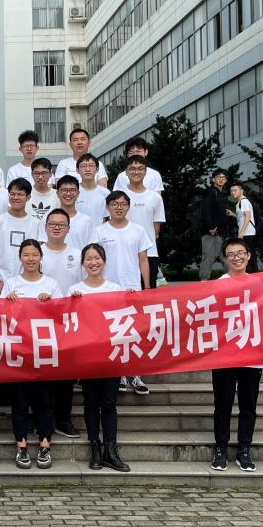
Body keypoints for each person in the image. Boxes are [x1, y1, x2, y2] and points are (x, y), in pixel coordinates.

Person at [211, 238, 263, 472]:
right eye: (231, 254)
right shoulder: (218, 284)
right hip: (225, 353)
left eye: (240, 253)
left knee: (248, 405)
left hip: (252, 352)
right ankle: (220, 448)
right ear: (225, 259)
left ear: (249, 256)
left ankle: (244, 449)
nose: (237, 258)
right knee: (223, 404)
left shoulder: (259, 283)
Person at [68, 243, 130, 473]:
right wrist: (72, 302)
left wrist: (129, 298)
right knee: (91, 403)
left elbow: (124, 319)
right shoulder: (74, 289)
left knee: (109, 404)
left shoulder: (115, 288)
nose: (93, 263)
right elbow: (67, 323)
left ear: (104, 261)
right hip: (87, 356)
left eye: (97, 258)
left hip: (111, 355)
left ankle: (111, 451)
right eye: (89, 259)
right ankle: (95, 448)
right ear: (82, 263)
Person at [2, 239, 62, 469]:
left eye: (34, 254)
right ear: (20, 258)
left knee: (45, 401)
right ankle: (21, 446)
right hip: (18, 353)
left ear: (40, 257)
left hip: (44, 353)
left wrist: (50, 303)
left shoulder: (52, 284)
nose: (30, 259)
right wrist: (8, 303)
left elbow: (61, 317)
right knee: (19, 402)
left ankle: (45, 445)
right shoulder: (11, 284)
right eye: (26, 255)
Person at [97, 190, 152, 395]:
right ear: (107, 207)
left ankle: (134, 375)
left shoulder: (138, 230)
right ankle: (118, 373)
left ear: (128, 207)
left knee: (133, 333)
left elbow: (143, 260)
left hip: (132, 289)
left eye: (122, 204)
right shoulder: (99, 231)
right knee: (112, 333)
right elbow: (93, 261)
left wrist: (147, 288)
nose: (118, 207)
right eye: (114, 204)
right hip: (107, 289)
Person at [40, 208, 82, 439]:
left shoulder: (77, 254)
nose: (57, 227)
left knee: (66, 375)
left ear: (68, 228)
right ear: (45, 227)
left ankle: (63, 420)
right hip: (41, 323)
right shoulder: (36, 252)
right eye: (52, 224)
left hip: (69, 322)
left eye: (61, 224)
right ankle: (42, 419)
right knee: (43, 375)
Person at [0, 178, 43, 294]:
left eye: (20, 194)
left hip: (29, 282)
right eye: (12, 194)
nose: (15, 197)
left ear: (28, 197)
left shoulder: (36, 223)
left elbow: (40, 254)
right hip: (3, 281)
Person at [123, 156, 166, 289]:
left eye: (140, 169)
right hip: (124, 252)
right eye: (132, 169)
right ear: (126, 172)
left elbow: (156, 227)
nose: (136, 172)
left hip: (149, 253)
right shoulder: (120, 196)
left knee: (148, 293)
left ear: (145, 172)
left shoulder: (155, 197)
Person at [53, 175, 98, 251]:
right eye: (64, 190)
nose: (68, 193)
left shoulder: (86, 221)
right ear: (57, 193)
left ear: (78, 193)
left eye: (72, 190)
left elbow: (92, 249)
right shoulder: (48, 219)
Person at [199, 168, 229, 281]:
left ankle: (232, 279)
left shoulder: (220, 194)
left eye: (223, 177)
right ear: (213, 179)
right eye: (218, 177)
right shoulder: (211, 192)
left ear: (226, 180)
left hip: (220, 232)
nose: (221, 179)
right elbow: (205, 210)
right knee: (208, 256)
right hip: (210, 232)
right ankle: (204, 281)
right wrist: (210, 227)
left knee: (226, 256)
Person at [228, 184, 257, 272]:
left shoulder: (244, 201)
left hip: (247, 233)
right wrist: (233, 214)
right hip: (247, 232)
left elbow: (248, 216)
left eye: (235, 190)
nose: (233, 193)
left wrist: (242, 232)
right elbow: (242, 217)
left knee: (248, 255)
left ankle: (252, 274)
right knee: (247, 254)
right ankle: (251, 274)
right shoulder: (240, 202)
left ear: (241, 191)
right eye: (231, 191)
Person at [75, 154, 109, 222]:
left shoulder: (105, 193)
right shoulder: (73, 192)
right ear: (77, 170)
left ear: (97, 169)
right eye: (83, 166)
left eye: (91, 165)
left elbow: (107, 217)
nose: (87, 169)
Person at [26, 158, 58, 223]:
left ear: (50, 174)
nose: (40, 177)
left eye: (44, 173)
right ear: (32, 174)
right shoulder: (25, 193)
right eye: (36, 173)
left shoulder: (57, 195)